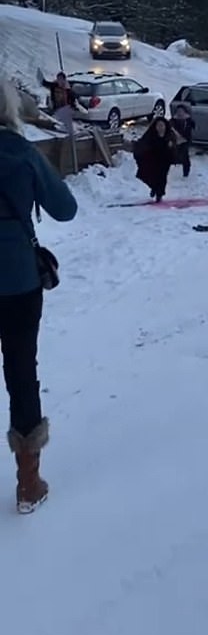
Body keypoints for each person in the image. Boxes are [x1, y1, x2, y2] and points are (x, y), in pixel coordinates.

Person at [0, 77, 78, 513]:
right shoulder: (22, 154)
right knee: (20, 375)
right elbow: (65, 209)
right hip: (17, 284)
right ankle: (28, 485)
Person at [133, 117, 178, 202]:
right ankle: (154, 188)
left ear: (165, 126)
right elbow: (142, 144)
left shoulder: (170, 135)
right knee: (147, 175)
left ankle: (159, 194)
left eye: (162, 125)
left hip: (165, 160)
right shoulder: (150, 134)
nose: (160, 128)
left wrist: (171, 147)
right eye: (158, 125)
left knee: (162, 178)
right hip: (152, 159)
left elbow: (175, 148)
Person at [171, 104, 195, 178]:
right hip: (176, 141)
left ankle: (186, 173)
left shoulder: (188, 120)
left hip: (185, 140)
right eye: (178, 111)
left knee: (185, 156)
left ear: (184, 112)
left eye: (181, 111)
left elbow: (192, 128)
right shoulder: (173, 120)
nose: (179, 113)